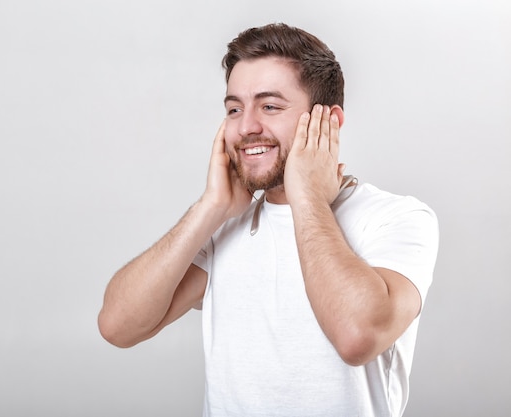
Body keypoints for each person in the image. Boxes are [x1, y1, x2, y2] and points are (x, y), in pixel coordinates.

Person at [98, 22, 439, 417]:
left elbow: (357, 336)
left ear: (329, 122)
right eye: (234, 109)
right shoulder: (223, 227)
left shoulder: (397, 217)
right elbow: (118, 326)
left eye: (270, 106)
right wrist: (211, 206)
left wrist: (307, 196)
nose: (246, 127)